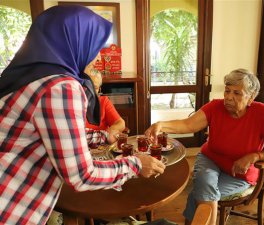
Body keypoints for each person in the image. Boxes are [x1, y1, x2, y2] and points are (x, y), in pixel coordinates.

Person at [0, 5, 165, 225]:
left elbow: (56, 134)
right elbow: (81, 175)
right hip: (9, 208)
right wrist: (135, 165)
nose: (98, 56)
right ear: (75, 41)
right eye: (95, 46)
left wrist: (103, 137)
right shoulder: (61, 88)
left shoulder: (32, 78)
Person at [145, 69, 264, 225]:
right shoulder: (216, 107)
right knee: (204, 187)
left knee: (198, 194)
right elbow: (188, 124)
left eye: (237, 93)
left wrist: (255, 156)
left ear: (251, 97)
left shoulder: (262, 113)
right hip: (210, 159)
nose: (228, 97)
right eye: (227, 91)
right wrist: (161, 125)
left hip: (239, 173)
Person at [85, 63, 125, 144]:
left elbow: (121, 123)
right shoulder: (74, 103)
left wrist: (110, 131)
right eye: (88, 86)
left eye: (95, 88)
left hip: (102, 146)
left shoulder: (103, 101)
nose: (91, 91)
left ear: (99, 89)